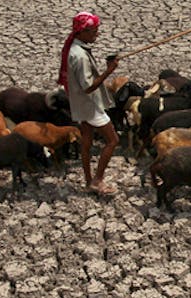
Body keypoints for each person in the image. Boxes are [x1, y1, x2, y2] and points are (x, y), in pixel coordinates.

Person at [58, 11, 120, 195]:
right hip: (90, 105)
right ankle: (98, 180)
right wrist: (109, 71)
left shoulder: (75, 49)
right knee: (112, 140)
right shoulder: (80, 56)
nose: (97, 34)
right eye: (93, 31)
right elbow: (88, 87)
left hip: (79, 104)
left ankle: (88, 180)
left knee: (87, 140)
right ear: (82, 32)